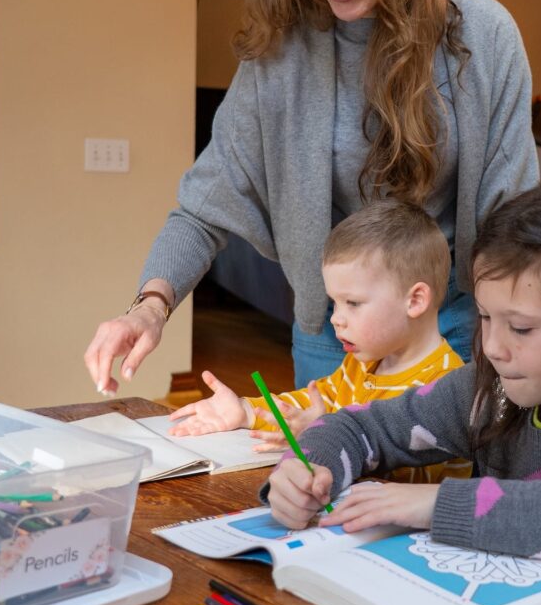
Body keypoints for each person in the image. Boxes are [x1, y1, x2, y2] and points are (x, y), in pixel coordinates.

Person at [83, 0, 538, 395]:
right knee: (322, 456)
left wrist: (519, 337)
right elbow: (203, 208)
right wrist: (149, 306)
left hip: (453, 324)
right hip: (333, 331)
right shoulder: (279, 55)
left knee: (440, 459)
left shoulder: (484, 35)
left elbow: (513, 216)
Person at [266, 179, 541, 585]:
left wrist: (438, 504)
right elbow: (359, 427)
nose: (493, 347)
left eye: (520, 327)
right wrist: (305, 469)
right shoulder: (489, 391)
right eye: (484, 316)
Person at [168, 200, 470, 483]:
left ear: (415, 300)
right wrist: (246, 411)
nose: (336, 319)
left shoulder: (447, 386)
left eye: (353, 303)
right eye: (334, 303)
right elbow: (308, 407)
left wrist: (328, 436)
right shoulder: (361, 364)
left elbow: (416, 479)